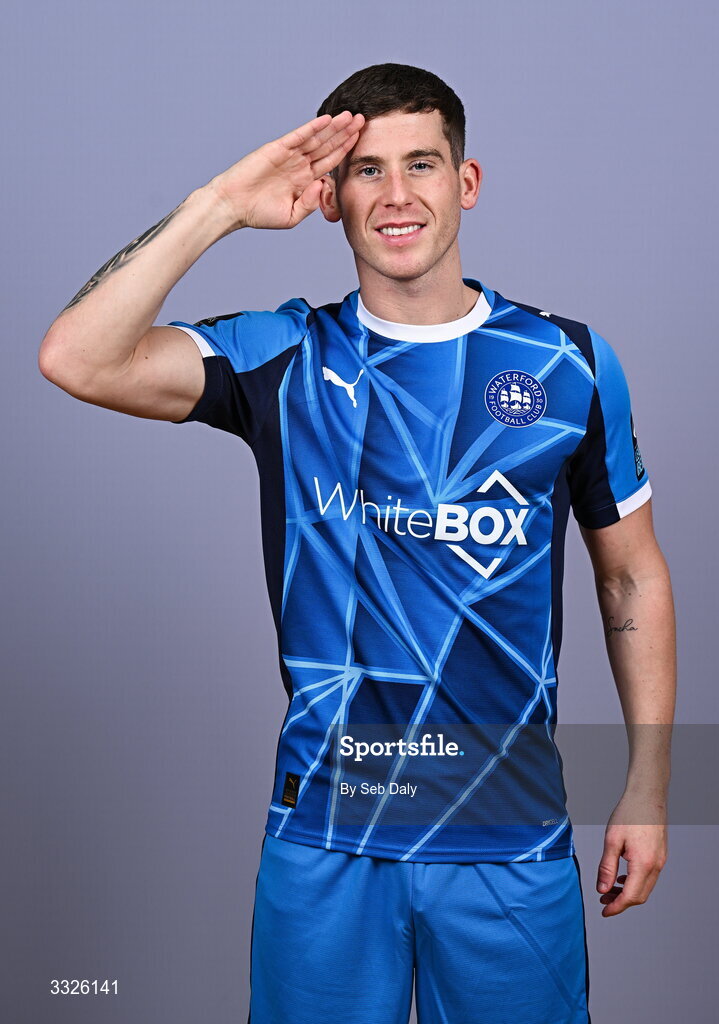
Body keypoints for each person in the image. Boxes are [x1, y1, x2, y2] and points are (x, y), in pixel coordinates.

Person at [38, 63, 676, 1024]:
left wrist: (649, 790)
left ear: (466, 181)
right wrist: (219, 207)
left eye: (421, 164)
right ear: (330, 196)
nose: (396, 195)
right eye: (367, 170)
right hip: (326, 831)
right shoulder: (282, 356)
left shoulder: (569, 363)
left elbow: (630, 579)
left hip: (507, 832)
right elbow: (75, 356)